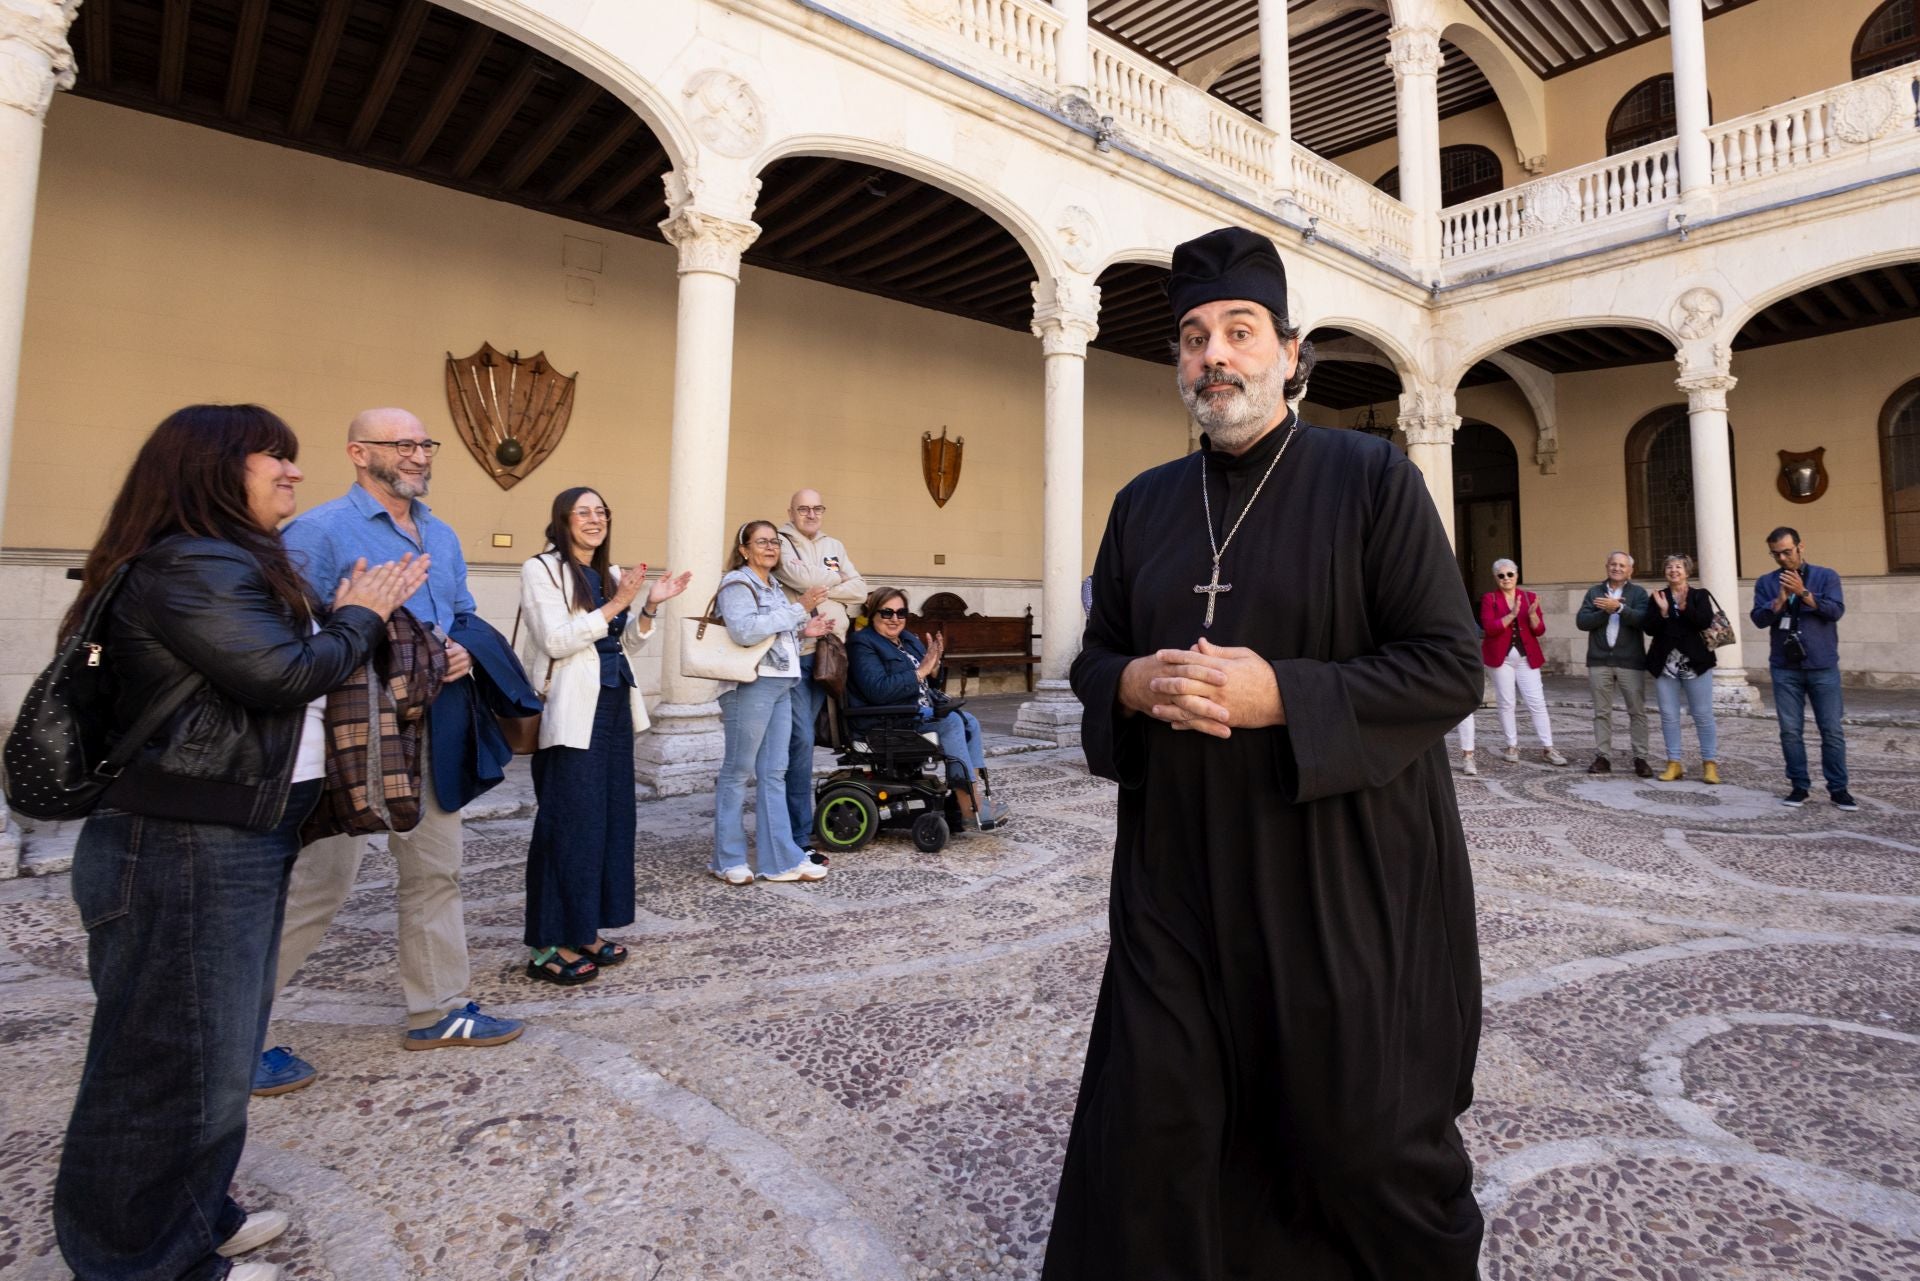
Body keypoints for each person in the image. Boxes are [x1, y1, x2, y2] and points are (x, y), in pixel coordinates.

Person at [1048, 226, 1484, 1278]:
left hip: (1338, 875)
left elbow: (1446, 666)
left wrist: (1280, 693)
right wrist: (1133, 683)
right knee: (1160, 1124)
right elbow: (1091, 659)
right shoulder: (1143, 504)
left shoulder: (1372, 478)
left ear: (1292, 353)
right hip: (1177, 880)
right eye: (1193, 339)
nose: (1214, 357)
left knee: (1359, 1136)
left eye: (1239, 332)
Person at [52, 404, 424, 1281]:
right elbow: (284, 673)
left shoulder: (222, 560)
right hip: (182, 844)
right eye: (274, 458)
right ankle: (138, 1263)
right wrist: (358, 615)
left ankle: (192, 1218)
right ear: (214, 469)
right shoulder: (191, 564)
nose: (292, 473)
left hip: (227, 837)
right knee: (166, 1067)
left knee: (212, 1060)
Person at [256, 408, 522, 1096]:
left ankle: (437, 1008)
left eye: (423, 443)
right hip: (353, 735)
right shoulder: (316, 532)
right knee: (319, 882)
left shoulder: (441, 532)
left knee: (437, 870)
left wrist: (462, 646)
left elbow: (458, 609)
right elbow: (284, 632)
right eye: (400, 443)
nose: (416, 454)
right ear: (357, 452)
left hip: (430, 727)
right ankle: (234, 1034)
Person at [515, 487, 690, 983]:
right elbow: (555, 639)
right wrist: (616, 604)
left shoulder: (609, 575)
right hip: (572, 713)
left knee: (607, 824)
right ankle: (548, 945)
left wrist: (649, 606)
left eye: (601, 512)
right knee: (566, 826)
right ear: (563, 520)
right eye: (583, 512)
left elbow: (624, 640)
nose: (595, 520)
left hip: (613, 708)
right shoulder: (541, 569)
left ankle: (584, 929)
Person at [709, 519, 832, 885]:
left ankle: (779, 859)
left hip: (781, 681)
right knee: (737, 771)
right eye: (761, 542)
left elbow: (774, 632)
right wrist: (799, 610)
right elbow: (744, 630)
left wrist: (803, 630)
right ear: (744, 549)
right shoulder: (736, 583)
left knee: (774, 772)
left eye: (774, 542)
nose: (770, 547)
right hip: (750, 684)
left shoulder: (774, 585)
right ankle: (727, 859)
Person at [845, 586, 1010, 831]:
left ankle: (972, 795)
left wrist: (934, 668)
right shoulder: (863, 644)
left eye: (901, 613)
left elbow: (929, 681)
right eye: (887, 613)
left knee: (969, 721)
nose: (895, 619)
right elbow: (877, 690)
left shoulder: (908, 639)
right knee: (952, 722)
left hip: (916, 714)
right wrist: (921, 670)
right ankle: (970, 807)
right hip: (884, 722)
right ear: (873, 613)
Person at [774, 488, 868, 856]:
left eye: (817, 508)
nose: (811, 514)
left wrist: (822, 587)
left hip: (831, 656)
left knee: (814, 737)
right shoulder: (781, 542)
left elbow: (860, 587)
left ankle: (797, 821)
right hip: (800, 653)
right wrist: (834, 584)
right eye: (803, 508)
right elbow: (799, 582)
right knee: (799, 742)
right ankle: (798, 833)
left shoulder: (835, 544)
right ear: (791, 511)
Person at [1750, 526, 1854, 810]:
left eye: (1787, 551)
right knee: (1790, 730)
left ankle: (1839, 789)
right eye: (1776, 554)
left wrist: (1804, 593)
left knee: (1831, 729)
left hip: (1821, 664)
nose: (1782, 558)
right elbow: (1758, 619)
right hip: (1785, 667)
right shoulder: (1766, 582)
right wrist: (1779, 602)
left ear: (1800, 547)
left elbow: (1835, 611)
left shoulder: (1826, 576)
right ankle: (1799, 786)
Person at [1479, 558, 1568, 766]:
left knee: (1536, 702)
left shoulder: (1529, 598)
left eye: (1510, 574)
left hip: (1527, 657)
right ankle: (1511, 745)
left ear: (1517, 575)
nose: (1506, 578)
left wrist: (1532, 616)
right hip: (1501, 659)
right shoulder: (1489, 598)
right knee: (1506, 702)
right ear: (1496, 578)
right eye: (1501, 575)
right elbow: (1490, 628)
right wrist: (1511, 615)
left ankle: (1548, 747)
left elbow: (1539, 630)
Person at [1644, 553, 1722, 783]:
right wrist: (1664, 612)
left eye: (1678, 567)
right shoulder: (1658, 596)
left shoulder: (1699, 595)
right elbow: (1649, 628)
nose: (1673, 570)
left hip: (1696, 663)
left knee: (1703, 714)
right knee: (1668, 716)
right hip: (1665, 664)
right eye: (1669, 567)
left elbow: (1704, 622)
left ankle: (1709, 764)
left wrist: (1684, 608)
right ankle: (1674, 763)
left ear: (1687, 572)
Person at [1575, 550, 1653, 776]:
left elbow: (1643, 621)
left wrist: (1619, 608)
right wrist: (1605, 611)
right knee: (1601, 712)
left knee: (1637, 712)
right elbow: (1582, 621)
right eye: (1613, 564)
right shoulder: (1595, 592)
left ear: (1630, 570)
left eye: (1622, 565)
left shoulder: (1638, 593)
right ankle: (1602, 757)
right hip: (1599, 661)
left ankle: (1640, 758)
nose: (1617, 568)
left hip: (1630, 661)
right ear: (1606, 566)